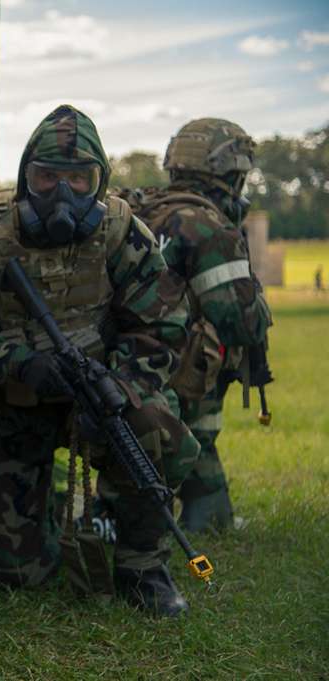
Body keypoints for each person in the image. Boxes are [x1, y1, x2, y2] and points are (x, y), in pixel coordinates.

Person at [0, 105, 200, 617]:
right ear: (27, 176)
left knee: (150, 425)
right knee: (11, 574)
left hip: (98, 395)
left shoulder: (120, 231)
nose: (62, 193)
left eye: (79, 178)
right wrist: (17, 363)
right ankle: (5, 510)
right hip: (15, 398)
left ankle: (143, 566)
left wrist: (121, 383)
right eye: (47, 177)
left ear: (100, 181)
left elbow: (163, 325)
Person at [120, 118, 273, 532]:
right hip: (176, 370)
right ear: (230, 172)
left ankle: (202, 511)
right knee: (197, 428)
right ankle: (198, 516)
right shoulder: (207, 225)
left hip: (121, 364)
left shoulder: (138, 209)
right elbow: (239, 320)